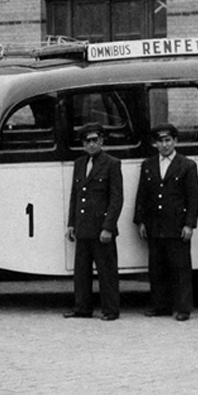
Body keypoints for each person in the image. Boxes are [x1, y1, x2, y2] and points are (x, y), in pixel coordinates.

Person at [134, 123, 198, 321]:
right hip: (155, 225)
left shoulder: (187, 165)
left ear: (175, 141)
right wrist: (141, 221)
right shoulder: (149, 165)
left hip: (177, 226)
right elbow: (142, 195)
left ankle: (183, 308)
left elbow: (193, 198)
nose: (164, 145)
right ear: (155, 144)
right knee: (157, 268)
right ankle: (160, 305)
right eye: (160, 141)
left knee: (180, 268)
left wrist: (189, 224)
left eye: (168, 140)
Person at [64, 122, 123, 320]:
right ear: (83, 144)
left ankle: (110, 310)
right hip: (83, 226)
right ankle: (82, 308)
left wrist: (108, 227)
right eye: (87, 141)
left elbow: (116, 199)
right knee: (81, 272)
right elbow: (75, 195)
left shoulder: (112, 163)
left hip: (101, 229)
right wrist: (71, 223)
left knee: (106, 271)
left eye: (95, 140)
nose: (91, 145)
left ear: (101, 141)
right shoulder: (80, 164)